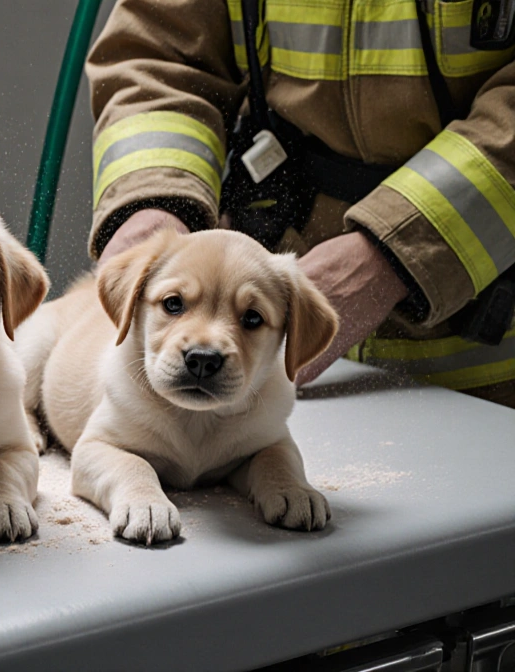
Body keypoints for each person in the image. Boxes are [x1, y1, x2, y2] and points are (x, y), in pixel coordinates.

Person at [85, 0, 515, 407]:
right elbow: (158, 52)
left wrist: (399, 251)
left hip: (489, 372)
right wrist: (154, 196)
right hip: (278, 371)